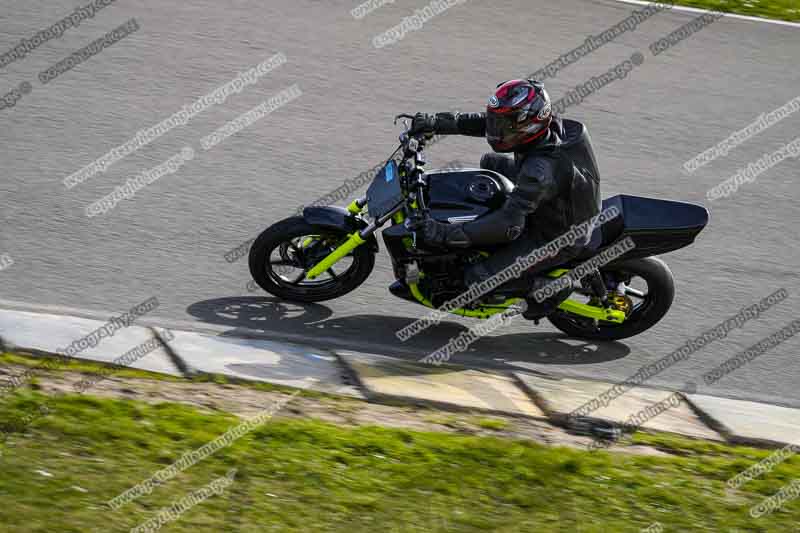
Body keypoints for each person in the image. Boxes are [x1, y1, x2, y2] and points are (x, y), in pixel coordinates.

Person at [407, 79, 602, 318]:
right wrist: (436, 123)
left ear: (529, 126)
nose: (497, 129)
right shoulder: (547, 126)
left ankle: (551, 288)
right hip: (556, 199)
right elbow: (488, 123)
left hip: (556, 234)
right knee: (490, 163)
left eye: (505, 125)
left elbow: (509, 225)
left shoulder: (539, 172)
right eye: (498, 120)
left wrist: (444, 233)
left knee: (477, 278)